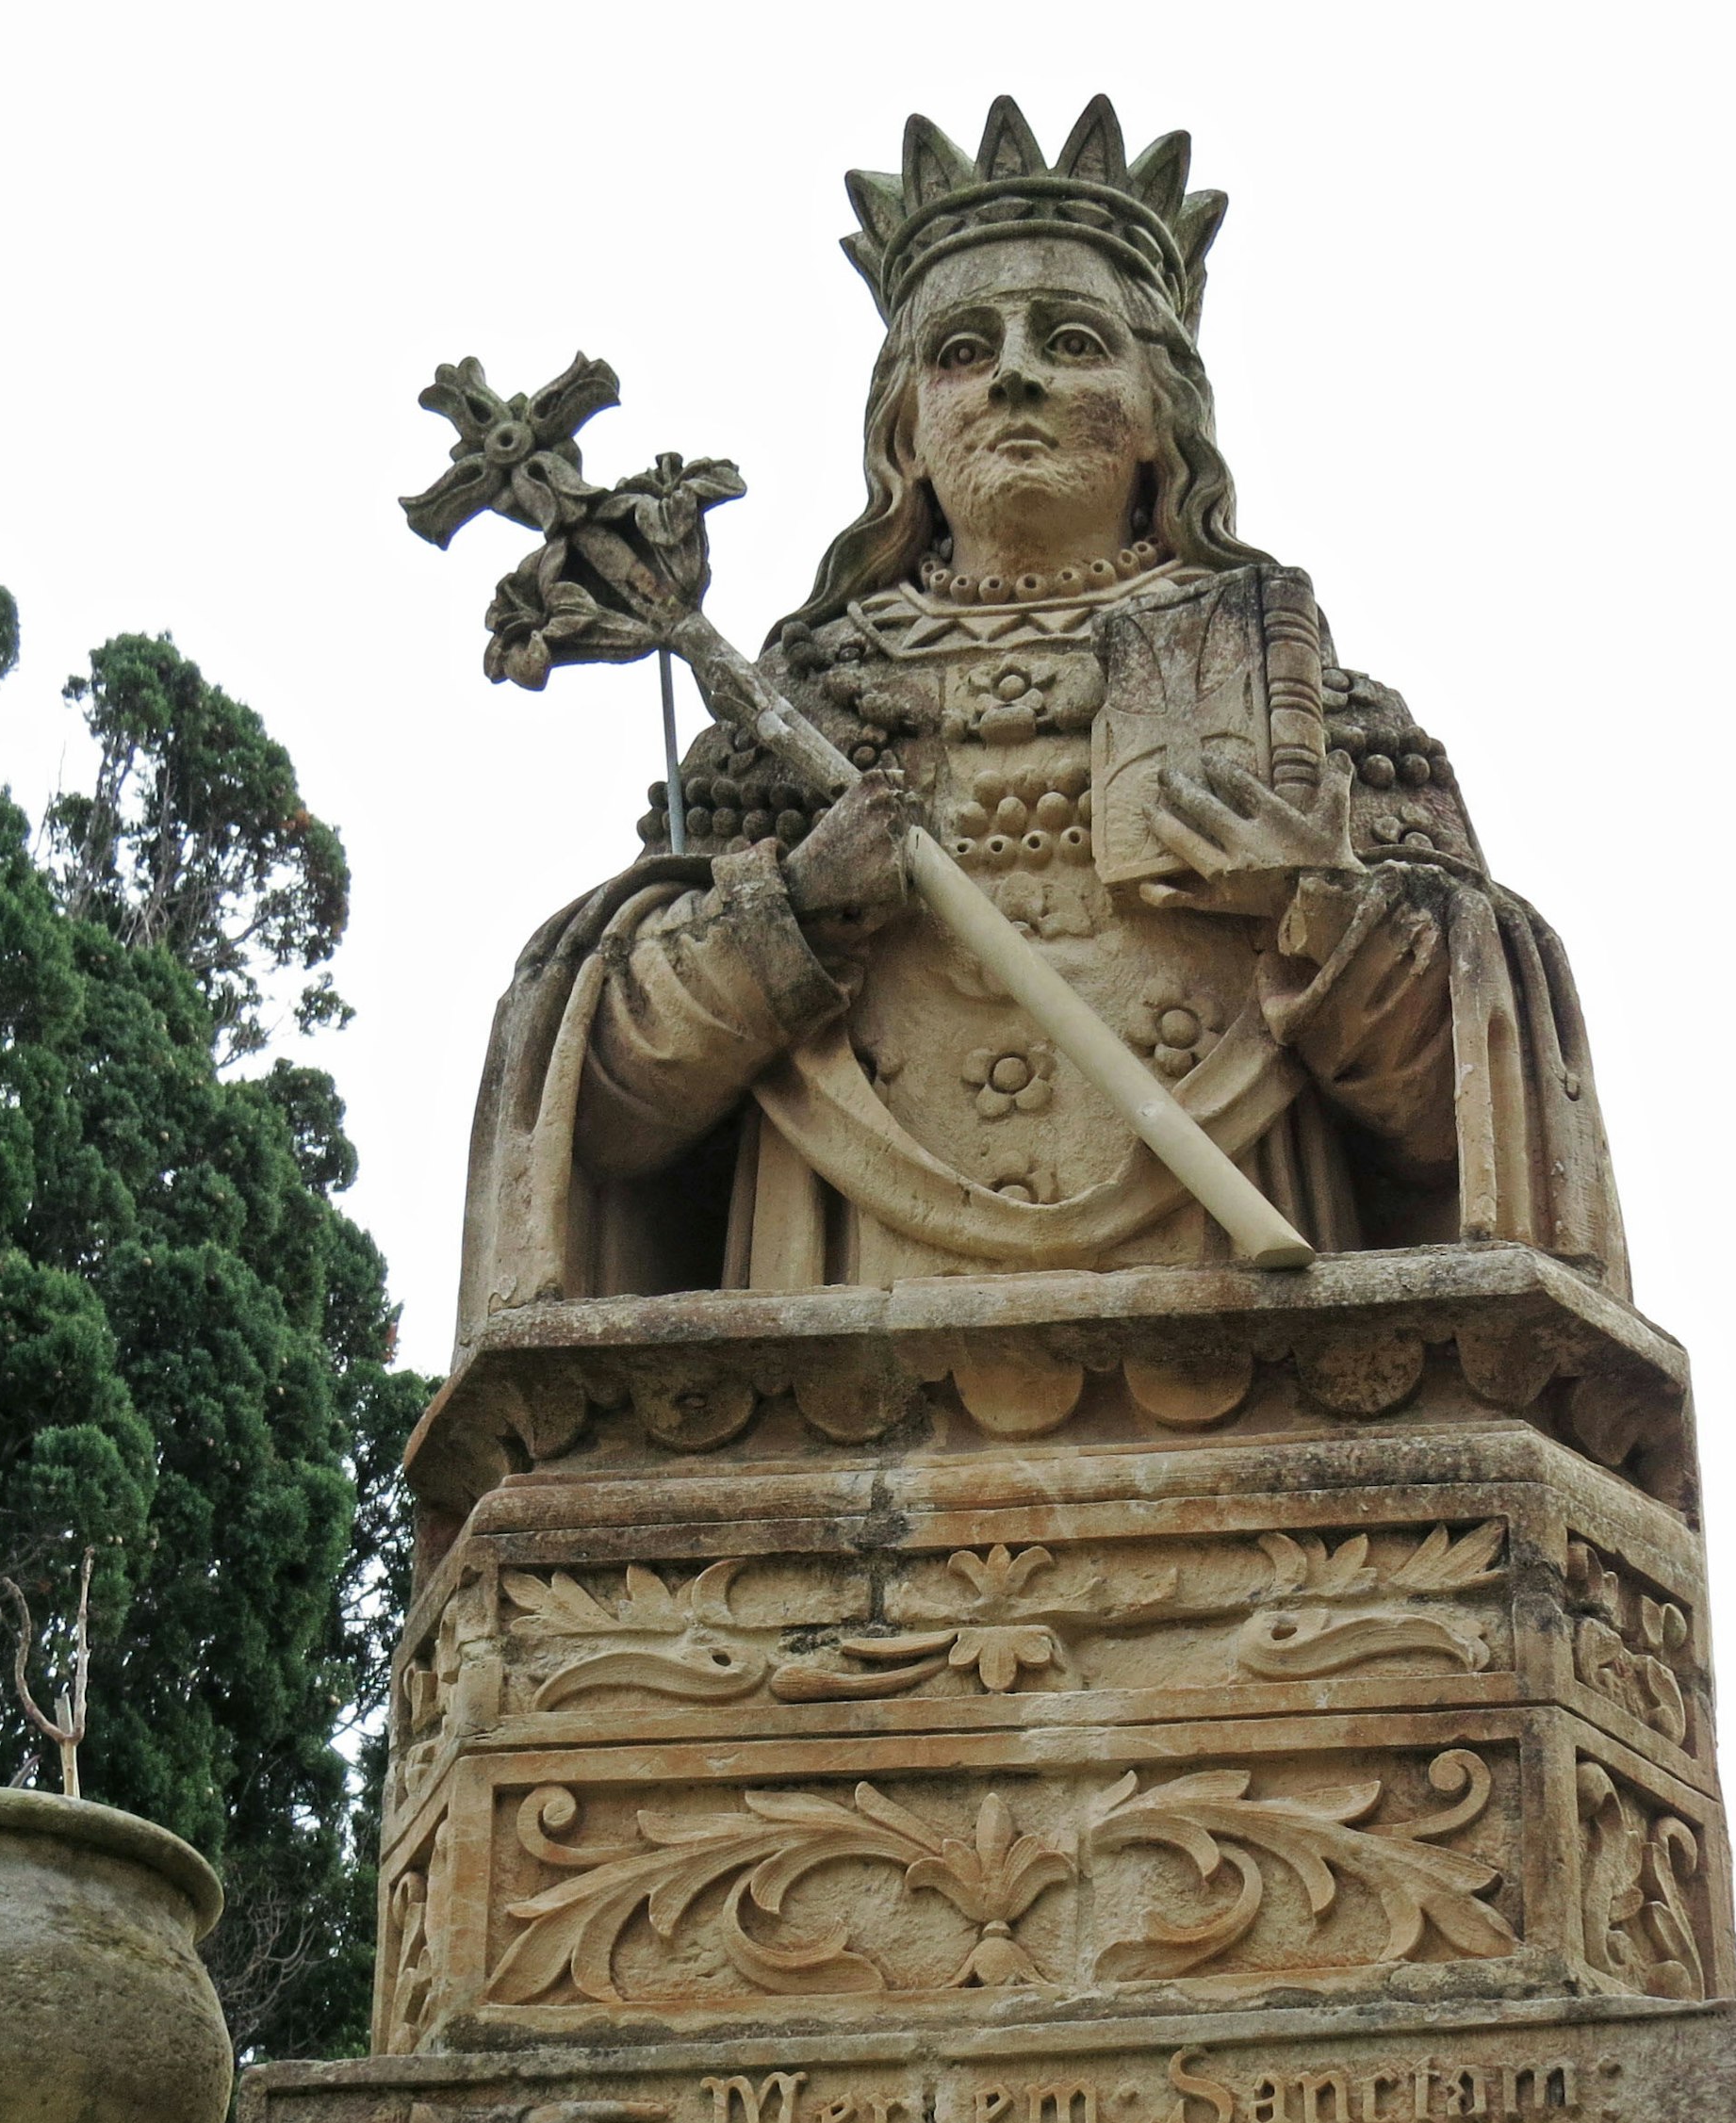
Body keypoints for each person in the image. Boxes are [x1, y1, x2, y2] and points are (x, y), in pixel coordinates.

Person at [452, 99, 1624, 1331]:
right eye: (963, 349)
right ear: (905, 428)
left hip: (1242, 1342)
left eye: (1071, 339)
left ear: (1163, 412)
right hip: (848, 1338)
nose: (1013, 372)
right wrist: (788, 915)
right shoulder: (796, 713)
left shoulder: (1301, 702)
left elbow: (1471, 1112)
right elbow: (621, 1104)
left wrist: (1328, 906)